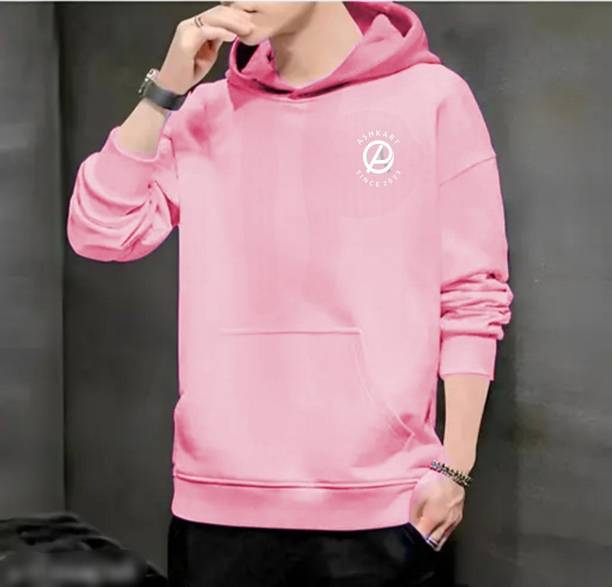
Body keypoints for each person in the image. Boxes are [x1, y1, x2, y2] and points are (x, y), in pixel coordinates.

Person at [65, 2, 514, 585]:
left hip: (384, 510)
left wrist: (455, 467)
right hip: (219, 508)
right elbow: (101, 231)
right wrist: (162, 94)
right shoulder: (202, 113)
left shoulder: (431, 98)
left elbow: (472, 291)